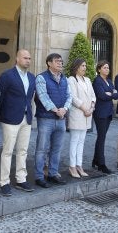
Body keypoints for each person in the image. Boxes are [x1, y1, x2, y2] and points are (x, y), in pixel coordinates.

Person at [0, 49, 36, 196]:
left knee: (23, 151)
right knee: (7, 151)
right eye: (25, 58)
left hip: (27, 119)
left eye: (29, 58)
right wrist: (4, 114)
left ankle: (21, 179)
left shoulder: (32, 77)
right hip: (10, 119)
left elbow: (30, 97)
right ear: (17, 59)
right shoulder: (7, 76)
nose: (28, 60)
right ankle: (4, 182)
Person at [34, 53, 72, 188]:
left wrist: (65, 109)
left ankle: (52, 174)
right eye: (57, 61)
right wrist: (57, 110)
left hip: (61, 118)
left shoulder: (64, 78)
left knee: (56, 149)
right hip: (46, 118)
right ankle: (39, 176)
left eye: (61, 61)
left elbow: (69, 96)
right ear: (49, 63)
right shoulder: (41, 78)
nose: (60, 63)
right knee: (41, 149)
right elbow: (43, 97)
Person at [67, 58, 95, 178]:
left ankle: (79, 165)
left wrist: (92, 107)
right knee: (74, 141)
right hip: (78, 114)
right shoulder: (71, 80)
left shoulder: (88, 80)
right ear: (76, 67)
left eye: (85, 65)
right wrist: (85, 109)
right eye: (82, 66)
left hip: (88, 114)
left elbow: (93, 95)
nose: (84, 68)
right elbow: (73, 97)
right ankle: (72, 166)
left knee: (82, 141)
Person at [92, 60, 118, 174]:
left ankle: (96, 160)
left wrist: (110, 94)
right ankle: (101, 164)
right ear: (99, 69)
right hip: (100, 113)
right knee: (101, 138)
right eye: (104, 67)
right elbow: (101, 96)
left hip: (108, 113)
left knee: (102, 137)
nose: (107, 69)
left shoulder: (108, 81)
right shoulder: (97, 81)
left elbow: (117, 95)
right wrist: (110, 93)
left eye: (108, 67)